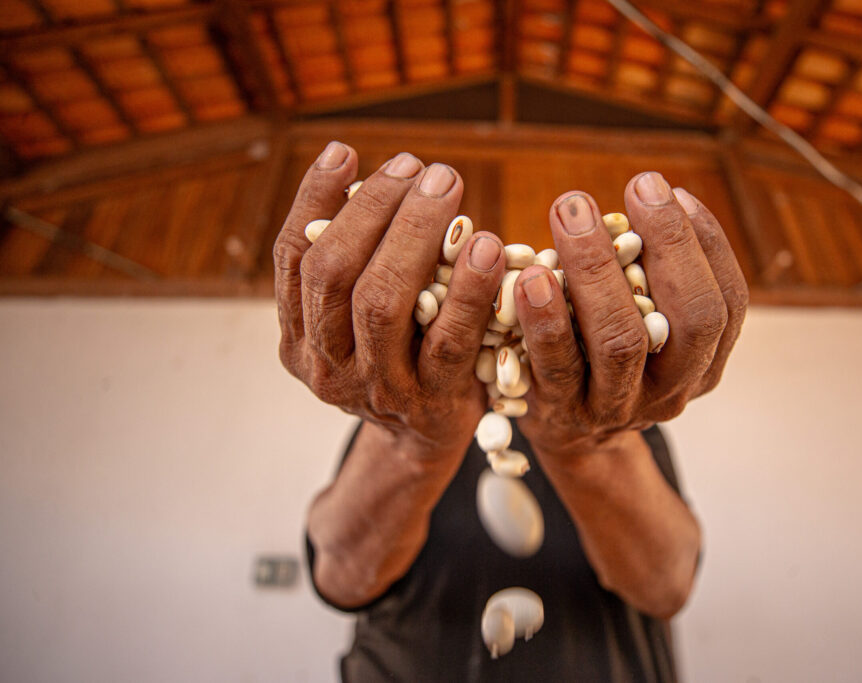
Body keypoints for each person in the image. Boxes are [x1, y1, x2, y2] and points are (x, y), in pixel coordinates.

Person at [273, 141, 748, 682]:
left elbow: (667, 585)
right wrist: (412, 441)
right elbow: (341, 577)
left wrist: (592, 446)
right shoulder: (391, 396)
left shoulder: (623, 404)